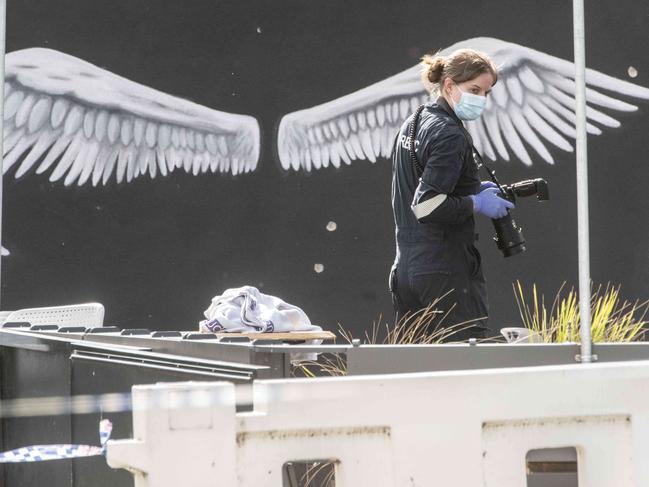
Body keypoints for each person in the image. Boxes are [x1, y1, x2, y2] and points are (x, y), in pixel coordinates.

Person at [389, 48, 513, 341]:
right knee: (464, 369)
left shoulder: (414, 120)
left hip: (406, 271)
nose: (482, 99)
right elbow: (426, 206)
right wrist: (476, 202)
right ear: (448, 86)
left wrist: (471, 189)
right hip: (444, 272)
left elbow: (422, 187)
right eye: (474, 90)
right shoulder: (449, 133)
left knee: (415, 374)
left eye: (487, 92)